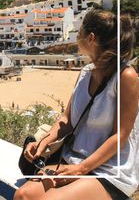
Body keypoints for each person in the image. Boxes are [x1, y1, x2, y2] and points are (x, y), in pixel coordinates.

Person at [14, 10, 139, 200]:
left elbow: (120, 136)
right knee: (23, 195)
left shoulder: (126, 77)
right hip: (74, 160)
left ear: (91, 38)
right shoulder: (85, 72)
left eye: (79, 32)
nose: (76, 36)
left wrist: (81, 169)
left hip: (108, 171)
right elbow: (67, 120)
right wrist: (43, 142)